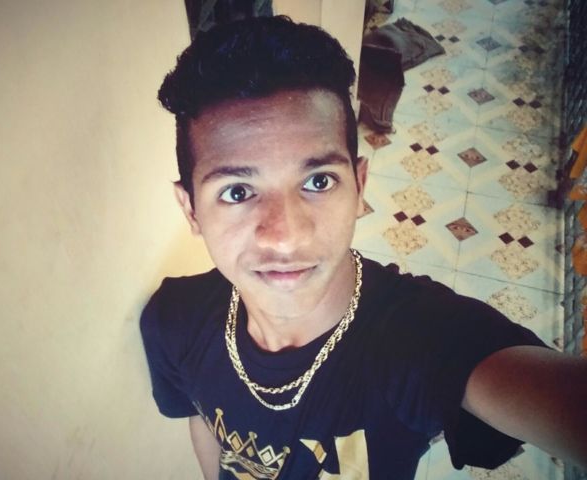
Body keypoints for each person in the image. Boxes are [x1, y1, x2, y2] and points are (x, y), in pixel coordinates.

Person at [140, 15, 587, 479]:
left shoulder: (418, 341)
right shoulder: (173, 321)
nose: (287, 236)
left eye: (318, 181)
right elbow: (202, 420)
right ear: (191, 209)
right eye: (237, 192)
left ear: (359, 185)